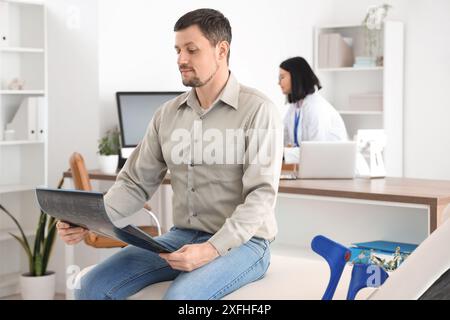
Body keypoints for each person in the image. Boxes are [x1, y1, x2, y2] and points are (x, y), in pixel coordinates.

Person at [56, 8, 283, 300]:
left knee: (180, 298)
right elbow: (135, 183)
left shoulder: (258, 110)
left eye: (191, 50)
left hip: (246, 243)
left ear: (221, 50)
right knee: (90, 286)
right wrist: (89, 219)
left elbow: (261, 197)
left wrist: (211, 249)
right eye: (177, 50)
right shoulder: (168, 114)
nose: (181, 60)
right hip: (182, 236)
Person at [278, 57, 348, 163]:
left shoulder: (316, 108)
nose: (279, 82)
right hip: (317, 167)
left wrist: (283, 153)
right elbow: (283, 138)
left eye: (282, 77)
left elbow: (316, 152)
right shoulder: (295, 108)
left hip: (335, 168)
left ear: (295, 77)